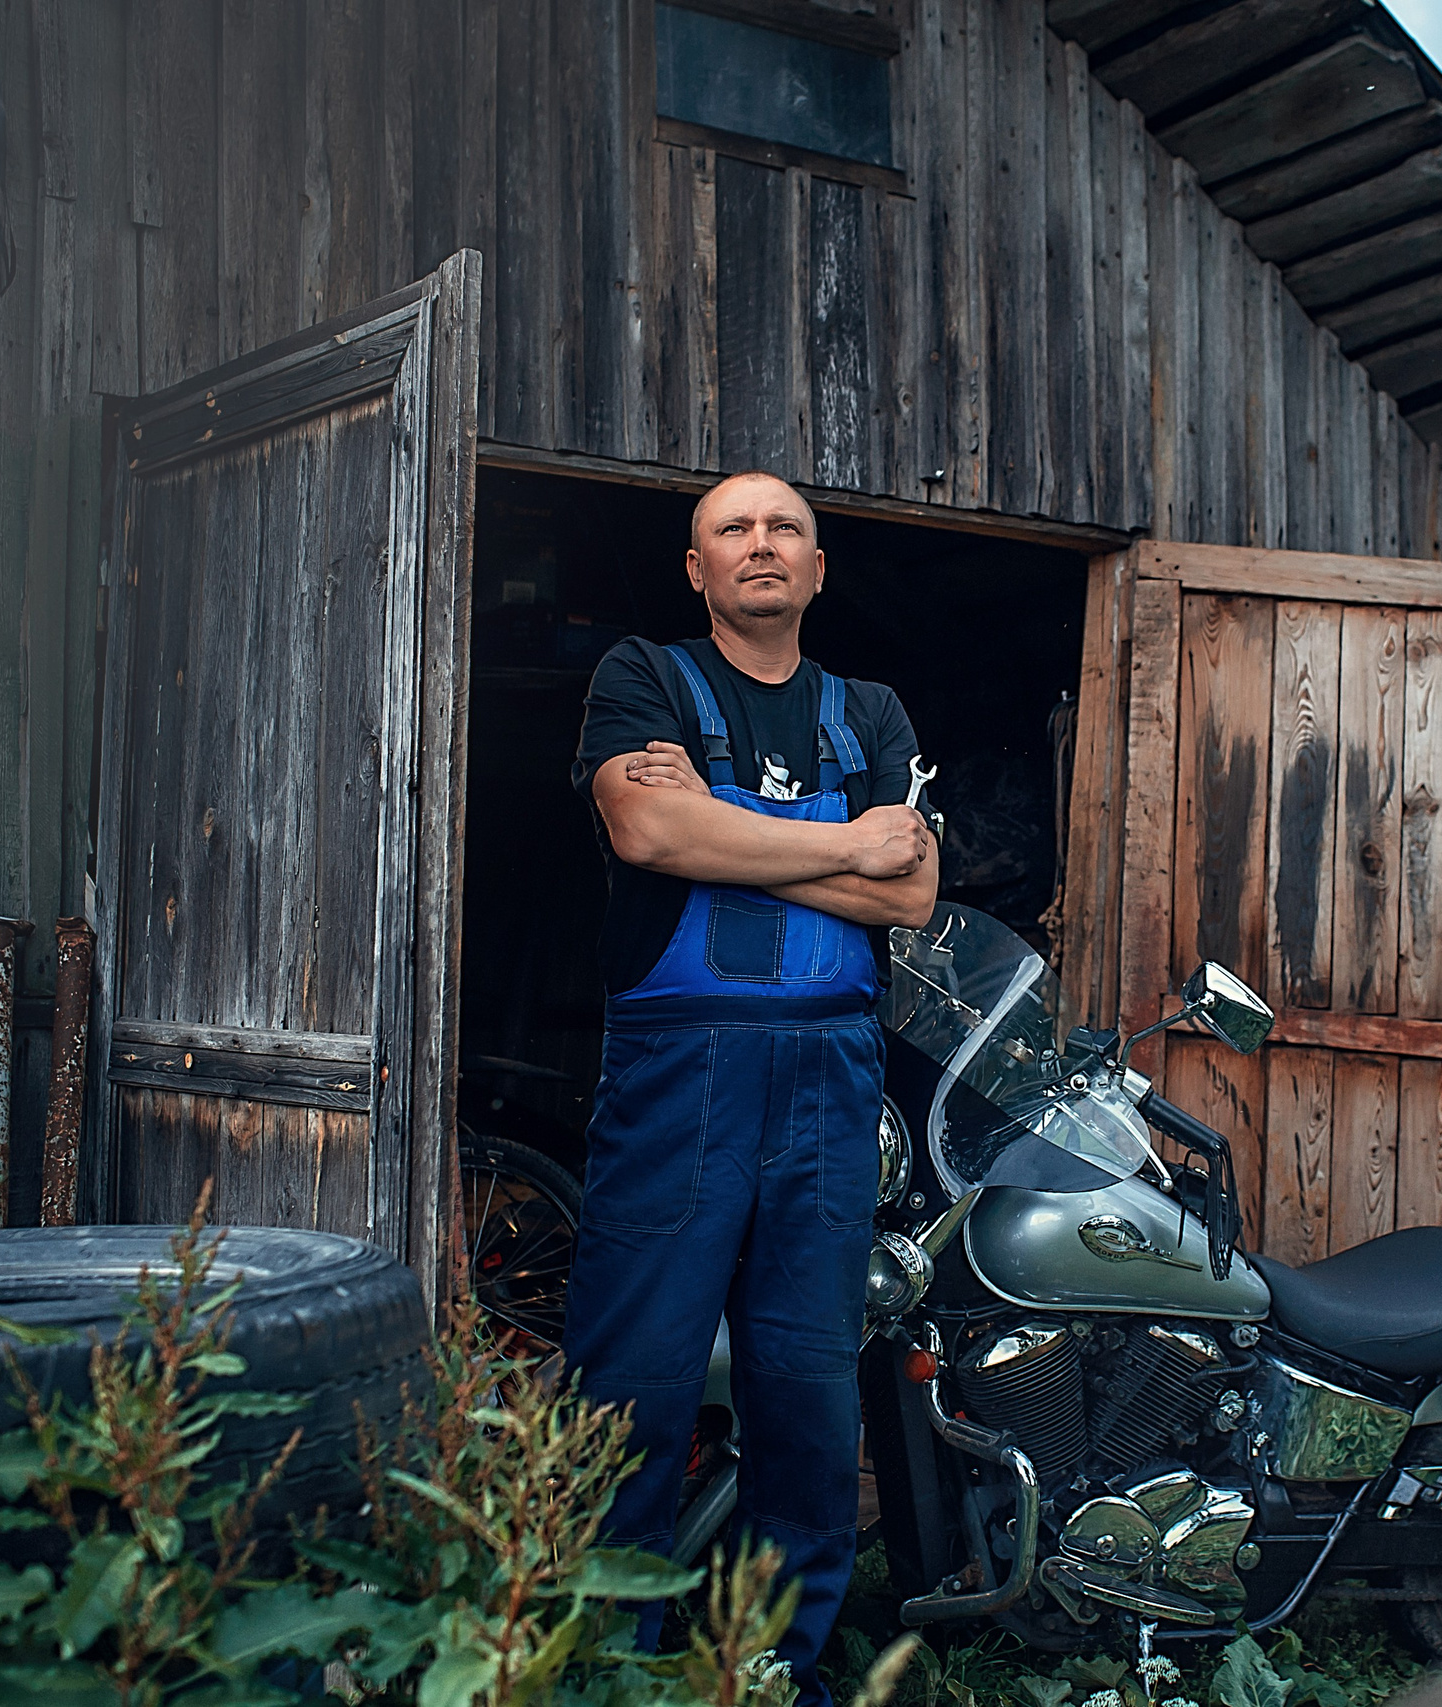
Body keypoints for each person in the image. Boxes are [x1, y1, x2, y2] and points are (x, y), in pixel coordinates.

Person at [565, 470, 936, 1703]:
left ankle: (777, 1668)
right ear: (698, 568)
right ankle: (609, 1660)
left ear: (817, 569)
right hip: (683, 1074)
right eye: (734, 529)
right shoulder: (645, 679)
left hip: (830, 1082)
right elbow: (648, 837)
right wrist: (842, 844)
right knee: (637, 1377)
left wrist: (722, 827)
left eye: (785, 529)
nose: (761, 545)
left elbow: (912, 895)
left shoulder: (866, 708)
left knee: (807, 1389)